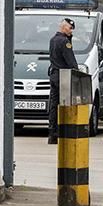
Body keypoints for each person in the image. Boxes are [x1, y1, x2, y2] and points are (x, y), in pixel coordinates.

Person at [46, 17, 79, 145]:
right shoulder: (64, 42)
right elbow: (71, 61)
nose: (72, 31)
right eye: (70, 28)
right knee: (65, 104)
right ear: (63, 27)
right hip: (64, 76)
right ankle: (63, 132)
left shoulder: (53, 39)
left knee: (54, 105)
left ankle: (52, 133)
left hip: (54, 74)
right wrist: (77, 72)